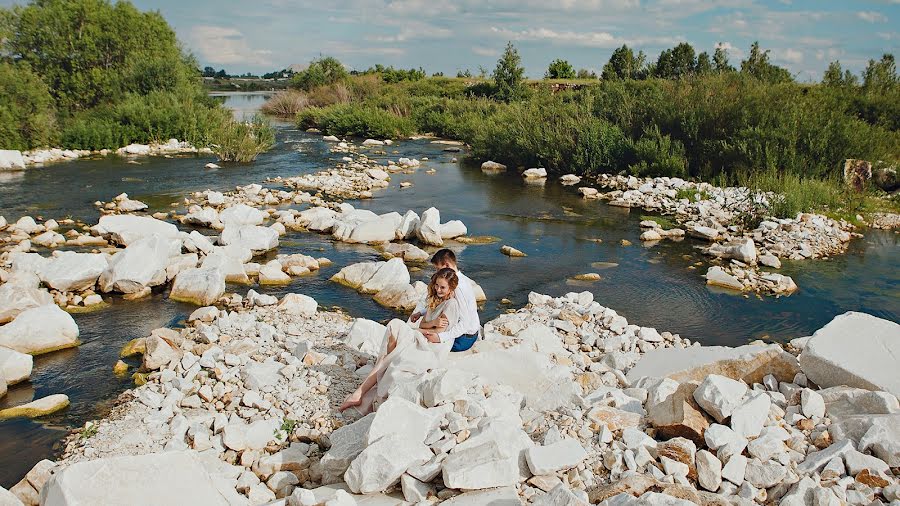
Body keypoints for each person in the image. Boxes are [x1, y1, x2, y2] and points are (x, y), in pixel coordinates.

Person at [339, 268, 461, 414]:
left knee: (395, 326)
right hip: (421, 335)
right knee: (394, 325)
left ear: (451, 288)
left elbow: (436, 334)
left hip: (431, 346)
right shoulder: (436, 300)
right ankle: (375, 375)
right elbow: (424, 324)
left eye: (443, 287)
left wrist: (418, 329)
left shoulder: (451, 305)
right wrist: (431, 322)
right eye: (437, 285)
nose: (438, 289)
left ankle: (360, 391)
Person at [410, 249, 480, 352]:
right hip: (461, 333)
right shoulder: (454, 280)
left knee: (417, 340)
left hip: (464, 338)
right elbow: (443, 304)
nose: (437, 272)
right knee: (419, 333)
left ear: (446, 265)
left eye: (438, 269)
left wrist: (440, 338)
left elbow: (465, 323)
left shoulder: (458, 287)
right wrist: (421, 313)